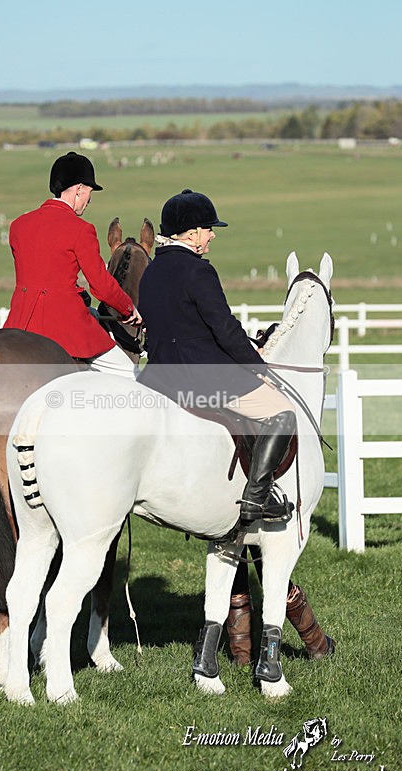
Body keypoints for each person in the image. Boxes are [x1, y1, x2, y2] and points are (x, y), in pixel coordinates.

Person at [137, 188, 295, 525]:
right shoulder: (198, 271)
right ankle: (258, 498)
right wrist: (257, 366)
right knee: (282, 412)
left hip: (157, 377)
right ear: (192, 233)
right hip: (202, 378)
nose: (212, 236)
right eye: (209, 229)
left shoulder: (151, 272)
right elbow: (223, 327)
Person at [3, 150, 142, 377]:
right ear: (79, 189)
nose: (90, 199)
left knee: (94, 316)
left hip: (19, 323)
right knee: (129, 373)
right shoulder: (81, 229)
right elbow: (100, 285)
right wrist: (128, 309)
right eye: (89, 191)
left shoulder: (18, 226)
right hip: (63, 325)